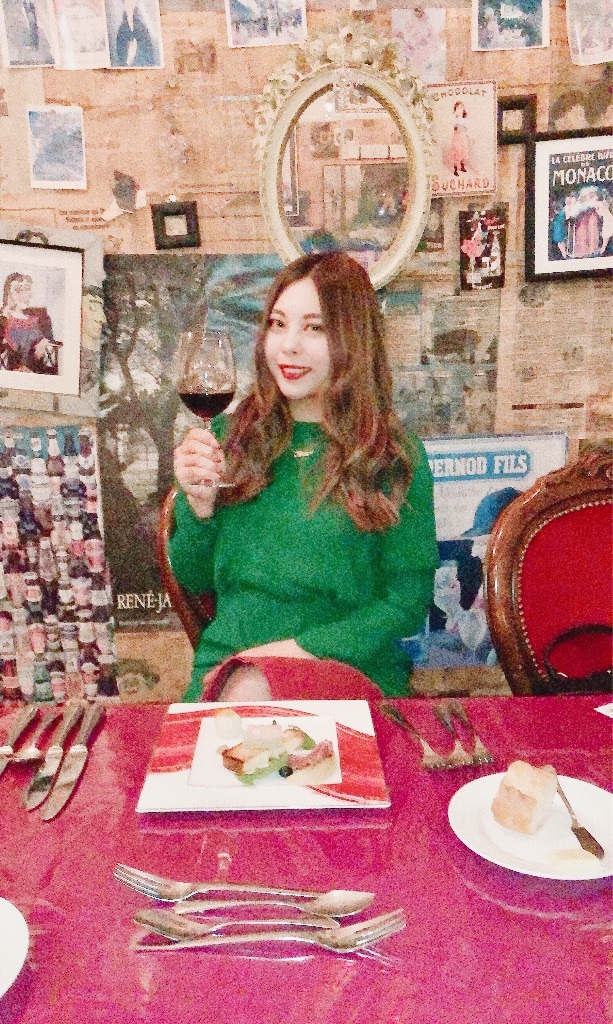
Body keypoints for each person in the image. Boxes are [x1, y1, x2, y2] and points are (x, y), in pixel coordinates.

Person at [170, 252, 439, 701]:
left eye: (315, 328)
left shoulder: (394, 456)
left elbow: (407, 602)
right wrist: (199, 509)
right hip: (229, 667)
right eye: (278, 324)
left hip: (349, 670)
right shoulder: (226, 439)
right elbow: (193, 577)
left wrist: (297, 654)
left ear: (353, 340)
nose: (288, 346)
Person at [0, 272, 60, 374]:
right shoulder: (4, 319)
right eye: (18, 290)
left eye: (27, 289)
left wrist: (43, 342)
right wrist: (4, 315)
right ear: (9, 294)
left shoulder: (41, 318)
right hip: (12, 370)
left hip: (38, 369)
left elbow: (50, 339)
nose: (23, 295)